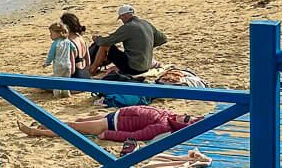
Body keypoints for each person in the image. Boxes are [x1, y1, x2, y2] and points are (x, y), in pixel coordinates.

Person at [18, 105, 195, 142]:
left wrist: (109, 135)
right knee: (78, 121)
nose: (184, 115)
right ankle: (46, 125)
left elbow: (136, 136)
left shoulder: (163, 126)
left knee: (72, 128)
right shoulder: (169, 114)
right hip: (115, 115)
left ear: (181, 125)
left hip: (112, 125)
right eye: (188, 115)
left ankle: (36, 132)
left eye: (185, 119)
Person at [89, 5, 167, 76]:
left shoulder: (128, 27)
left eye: (121, 18)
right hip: (146, 66)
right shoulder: (146, 23)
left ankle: (93, 69)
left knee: (105, 46)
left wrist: (97, 39)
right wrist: (146, 45)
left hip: (133, 68)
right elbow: (163, 39)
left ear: (124, 16)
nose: (122, 20)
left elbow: (106, 42)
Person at [44, 21, 75, 97]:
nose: (50, 35)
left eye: (51, 33)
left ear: (59, 33)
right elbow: (74, 48)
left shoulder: (56, 43)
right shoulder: (68, 41)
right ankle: (66, 94)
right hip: (68, 64)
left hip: (58, 66)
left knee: (57, 81)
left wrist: (47, 63)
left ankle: (57, 95)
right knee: (66, 81)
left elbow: (51, 55)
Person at [60, 12, 92, 79]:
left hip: (76, 76)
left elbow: (71, 70)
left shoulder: (69, 43)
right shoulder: (80, 38)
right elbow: (88, 61)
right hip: (85, 74)